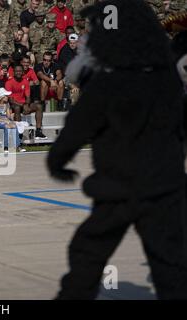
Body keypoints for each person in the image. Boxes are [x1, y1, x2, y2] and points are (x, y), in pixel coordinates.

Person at [48, 0, 187, 300]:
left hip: (118, 188)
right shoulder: (168, 80)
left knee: (87, 254)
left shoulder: (106, 83)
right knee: (170, 264)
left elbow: (77, 127)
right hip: (163, 188)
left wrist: (59, 160)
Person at [6, 64, 46, 138]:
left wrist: (26, 105)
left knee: (39, 106)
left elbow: (28, 96)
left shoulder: (25, 82)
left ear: (23, 72)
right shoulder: (9, 82)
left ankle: (38, 131)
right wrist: (23, 105)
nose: (18, 73)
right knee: (17, 108)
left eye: (20, 71)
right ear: (14, 72)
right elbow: (11, 100)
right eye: (16, 71)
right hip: (14, 105)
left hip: (24, 103)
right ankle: (19, 133)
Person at [0, 87, 21, 152]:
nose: (7, 97)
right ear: (1, 97)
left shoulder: (7, 105)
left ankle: (17, 146)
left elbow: (8, 116)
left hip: (5, 121)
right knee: (6, 127)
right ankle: (6, 146)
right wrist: (5, 121)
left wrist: (11, 116)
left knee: (14, 126)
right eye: (6, 96)